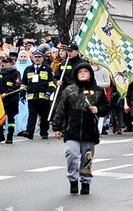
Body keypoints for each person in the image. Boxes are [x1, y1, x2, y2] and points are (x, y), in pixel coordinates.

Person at [52, 61, 110, 195]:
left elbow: (106, 108)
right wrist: (57, 127)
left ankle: (85, 183)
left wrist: (98, 109)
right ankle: (72, 180)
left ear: (90, 74)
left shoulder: (98, 91)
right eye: (80, 72)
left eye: (85, 71)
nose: (82, 74)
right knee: (72, 155)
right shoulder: (69, 90)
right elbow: (60, 109)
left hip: (89, 131)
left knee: (87, 159)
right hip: (72, 129)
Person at [22, 51, 56, 139]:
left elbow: (52, 83)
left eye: (39, 57)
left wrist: (48, 93)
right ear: (32, 58)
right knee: (31, 115)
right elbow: (24, 84)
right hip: (32, 97)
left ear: (42, 58)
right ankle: (29, 132)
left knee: (44, 116)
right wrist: (22, 94)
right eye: (35, 57)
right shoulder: (28, 69)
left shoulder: (47, 69)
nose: (37, 58)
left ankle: (44, 132)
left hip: (44, 97)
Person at [0, 54, 22, 144]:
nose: (5, 64)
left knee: (11, 118)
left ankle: (10, 136)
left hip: (11, 99)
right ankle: (0, 135)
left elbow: (16, 85)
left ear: (11, 63)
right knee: (0, 118)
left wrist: (7, 93)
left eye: (7, 62)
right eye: (4, 62)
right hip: (0, 99)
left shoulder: (15, 73)